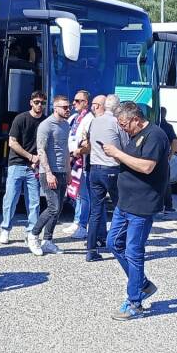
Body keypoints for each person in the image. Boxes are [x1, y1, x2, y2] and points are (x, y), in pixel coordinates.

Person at [102, 101, 169, 320]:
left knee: (134, 251)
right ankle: (142, 284)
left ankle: (135, 302)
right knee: (113, 243)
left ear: (136, 119)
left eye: (124, 124)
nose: (122, 128)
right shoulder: (135, 136)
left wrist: (118, 154)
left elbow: (146, 166)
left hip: (142, 204)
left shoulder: (155, 136)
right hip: (125, 202)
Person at [0, 91, 47, 245]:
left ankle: (31, 232)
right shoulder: (20, 119)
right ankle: (5, 229)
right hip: (17, 164)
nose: (40, 105)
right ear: (31, 102)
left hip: (34, 167)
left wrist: (38, 159)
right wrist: (30, 157)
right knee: (10, 199)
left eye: (43, 103)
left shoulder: (46, 122)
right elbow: (12, 142)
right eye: (37, 102)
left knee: (34, 202)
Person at [28, 95, 72, 256]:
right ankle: (33, 235)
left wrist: (68, 171)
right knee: (53, 207)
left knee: (58, 208)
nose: (68, 110)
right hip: (49, 172)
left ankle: (48, 240)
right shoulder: (45, 126)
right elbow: (41, 150)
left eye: (69, 107)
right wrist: (48, 173)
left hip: (62, 171)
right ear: (55, 108)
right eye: (65, 107)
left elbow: (65, 149)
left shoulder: (66, 125)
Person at [85, 94, 124, 261]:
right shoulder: (116, 123)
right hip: (112, 169)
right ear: (117, 107)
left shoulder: (94, 121)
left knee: (95, 212)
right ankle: (118, 244)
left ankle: (91, 250)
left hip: (94, 169)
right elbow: (124, 145)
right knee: (121, 208)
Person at [62, 90, 93, 239]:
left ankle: (82, 225)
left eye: (77, 101)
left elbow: (88, 141)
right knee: (77, 194)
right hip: (73, 160)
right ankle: (76, 220)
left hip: (83, 162)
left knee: (84, 195)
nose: (73, 103)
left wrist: (78, 150)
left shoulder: (90, 118)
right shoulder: (74, 118)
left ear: (85, 103)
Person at [158, 107, 177, 215]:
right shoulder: (168, 126)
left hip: (152, 158)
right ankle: (168, 206)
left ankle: (157, 205)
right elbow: (175, 141)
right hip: (164, 158)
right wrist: (171, 155)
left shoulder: (153, 125)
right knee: (166, 182)